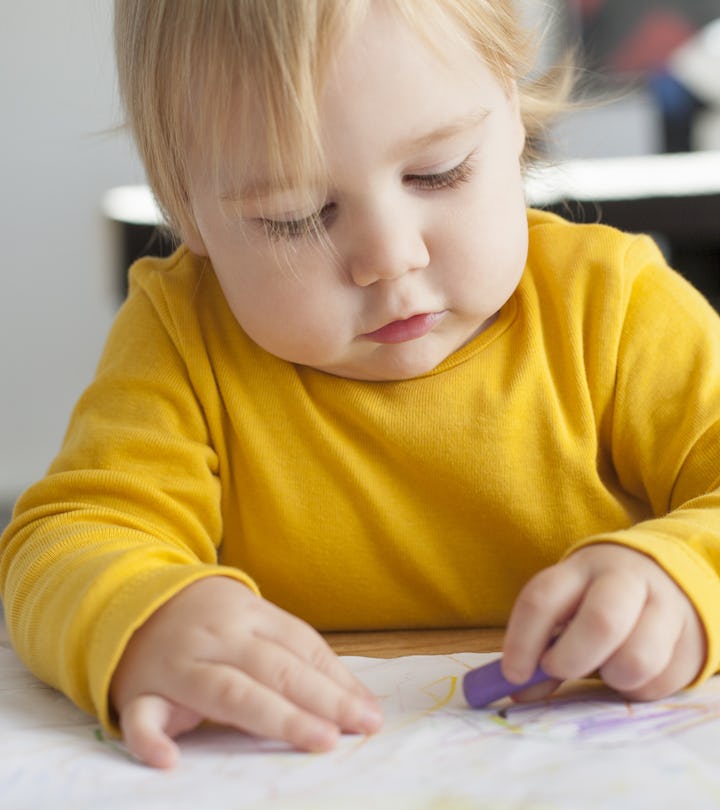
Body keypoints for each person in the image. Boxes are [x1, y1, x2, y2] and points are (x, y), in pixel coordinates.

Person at [2, 0, 720, 771]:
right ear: (189, 214)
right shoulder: (184, 339)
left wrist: (680, 579)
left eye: (436, 172)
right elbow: (68, 537)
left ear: (511, 117)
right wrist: (140, 617)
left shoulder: (613, 306)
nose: (389, 256)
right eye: (295, 216)